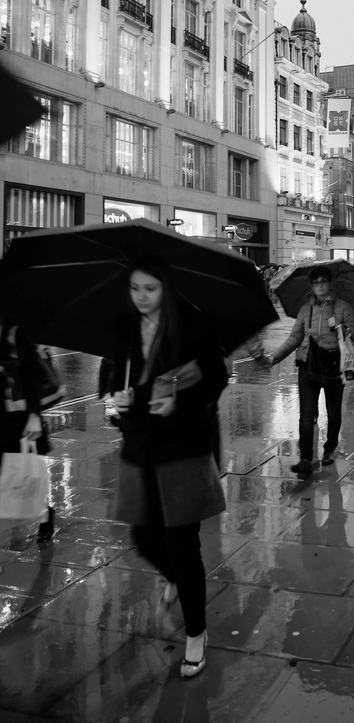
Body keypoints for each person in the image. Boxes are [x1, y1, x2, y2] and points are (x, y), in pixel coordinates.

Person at [110, 257, 228, 679]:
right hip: (140, 445)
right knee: (143, 536)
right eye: (135, 289)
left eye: (150, 289)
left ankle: (196, 634)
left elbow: (216, 377)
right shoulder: (124, 327)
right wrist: (115, 400)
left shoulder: (192, 324)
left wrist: (179, 401)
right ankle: (175, 580)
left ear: (166, 289)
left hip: (182, 447)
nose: (141, 298)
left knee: (183, 543)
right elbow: (111, 375)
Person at [265, 267, 354, 475]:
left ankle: (329, 448)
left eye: (323, 282)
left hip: (334, 366)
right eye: (315, 282)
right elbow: (294, 338)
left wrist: (340, 329)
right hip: (308, 364)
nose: (319, 286)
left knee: (334, 414)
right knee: (306, 415)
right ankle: (306, 458)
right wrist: (276, 356)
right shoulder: (305, 310)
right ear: (311, 285)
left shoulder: (344, 308)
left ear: (330, 283)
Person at [0, 314, 59, 541]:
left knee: (24, 472)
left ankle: (44, 514)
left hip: (20, 419)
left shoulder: (15, 334)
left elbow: (33, 375)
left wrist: (35, 415)